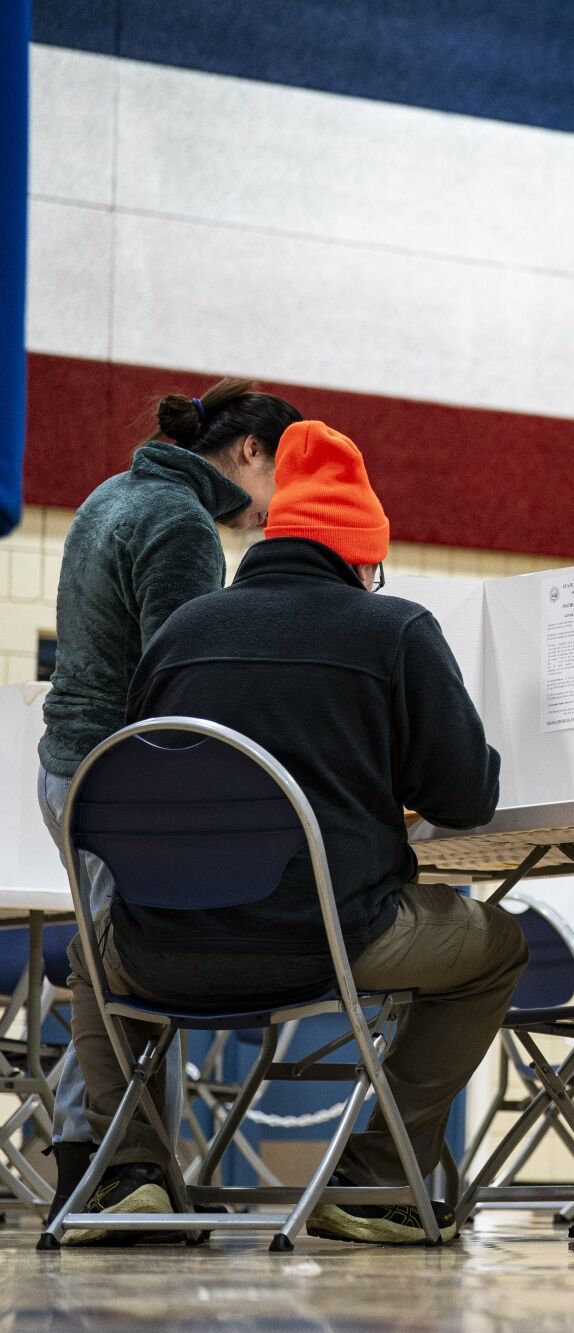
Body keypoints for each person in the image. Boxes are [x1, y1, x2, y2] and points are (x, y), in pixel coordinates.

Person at [60, 421, 525, 1246]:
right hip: (329, 945)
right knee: (495, 943)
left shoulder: (182, 633)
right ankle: (379, 1177)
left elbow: (143, 778)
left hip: (163, 949)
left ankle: (133, 1174)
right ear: (363, 556)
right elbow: (468, 796)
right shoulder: (395, 630)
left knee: (90, 956)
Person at [35, 379, 300, 1219]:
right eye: (279, 479)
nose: (275, 508)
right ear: (250, 452)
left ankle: (140, 1172)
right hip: (119, 783)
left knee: (121, 970)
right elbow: (185, 686)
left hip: (70, 772)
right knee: (121, 980)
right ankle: (101, 1172)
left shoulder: (109, 495)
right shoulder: (182, 524)